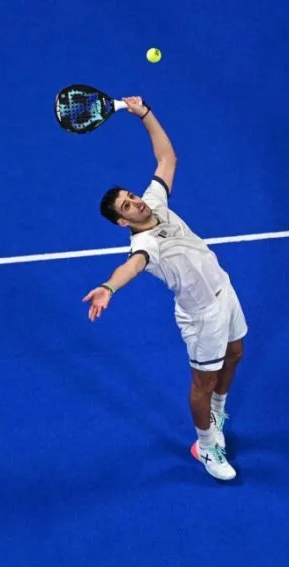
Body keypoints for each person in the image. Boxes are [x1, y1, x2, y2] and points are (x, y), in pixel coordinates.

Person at [82, 96, 245, 481]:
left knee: (235, 353)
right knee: (202, 382)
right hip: (201, 314)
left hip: (225, 291)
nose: (135, 203)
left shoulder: (155, 202)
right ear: (122, 223)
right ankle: (205, 447)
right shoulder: (144, 245)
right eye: (126, 206)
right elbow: (131, 267)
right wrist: (108, 287)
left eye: (131, 197)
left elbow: (167, 158)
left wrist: (146, 114)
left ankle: (218, 413)